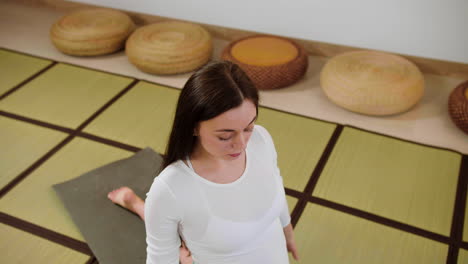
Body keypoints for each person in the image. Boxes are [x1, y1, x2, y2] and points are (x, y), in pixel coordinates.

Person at [108, 60, 299, 264]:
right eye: (225, 137)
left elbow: (276, 185)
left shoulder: (261, 140)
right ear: (194, 127)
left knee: (189, 245)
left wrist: (288, 232)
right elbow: (160, 258)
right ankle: (137, 205)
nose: (242, 144)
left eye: (248, 128)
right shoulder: (170, 189)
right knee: (182, 247)